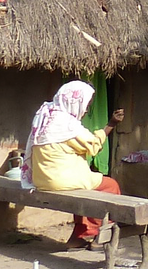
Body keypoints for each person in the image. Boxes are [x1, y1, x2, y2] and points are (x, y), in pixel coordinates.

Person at [22, 80, 127, 250]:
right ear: (75, 102)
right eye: (85, 105)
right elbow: (92, 145)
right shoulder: (67, 125)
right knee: (111, 186)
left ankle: (78, 236)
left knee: (85, 188)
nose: (85, 110)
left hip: (42, 179)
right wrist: (111, 124)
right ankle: (95, 235)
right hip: (60, 180)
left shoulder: (45, 115)